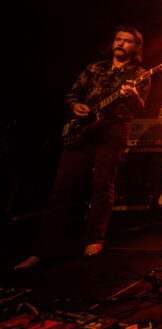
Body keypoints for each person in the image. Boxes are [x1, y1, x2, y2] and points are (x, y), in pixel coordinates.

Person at [15, 26, 149, 269]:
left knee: (102, 186)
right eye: (117, 39)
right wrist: (75, 106)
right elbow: (72, 93)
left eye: (127, 41)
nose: (120, 43)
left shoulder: (140, 74)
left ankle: (94, 240)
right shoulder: (94, 68)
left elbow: (139, 107)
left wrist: (130, 95)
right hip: (82, 131)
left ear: (136, 47)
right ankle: (42, 249)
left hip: (113, 131)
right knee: (60, 189)